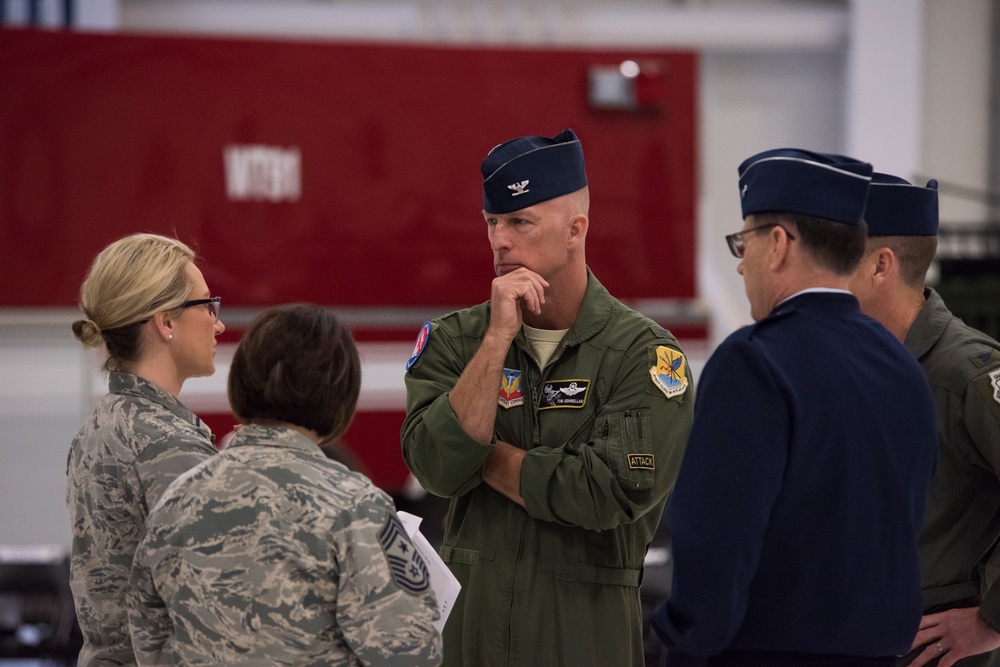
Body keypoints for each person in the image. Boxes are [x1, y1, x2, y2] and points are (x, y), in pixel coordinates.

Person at [401, 128, 695, 666]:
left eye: (520, 222)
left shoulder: (641, 355)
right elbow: (438, 469)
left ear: (574, 230)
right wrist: (495, 343)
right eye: (493, 222)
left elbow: (604, 491)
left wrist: (484, 453)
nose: (499, 240)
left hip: (585, 640)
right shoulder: (455, 341)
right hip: (472, 644)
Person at [651, 149, 938, 666]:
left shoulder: (753, 363)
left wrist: (684, 640)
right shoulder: (901, 367)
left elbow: (717, 535)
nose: (740, 263)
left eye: (745, 242)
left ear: (778, 244)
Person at [128, 304, 442, 666]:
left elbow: (147, 634)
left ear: (241, 380)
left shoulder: (175, 500)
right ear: (340, 392)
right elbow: (411, 651)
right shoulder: (357, 506)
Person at [849, 174, 1000, 667]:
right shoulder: (863, 363)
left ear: (880, 266)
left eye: (836, 255)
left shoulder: (964, 374)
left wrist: (990, 622)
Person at [66, 232, 224, 666]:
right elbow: (214, 607)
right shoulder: (169, 446)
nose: (219, 322)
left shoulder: (99, 426)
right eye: (206, 305)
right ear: (165, 322)